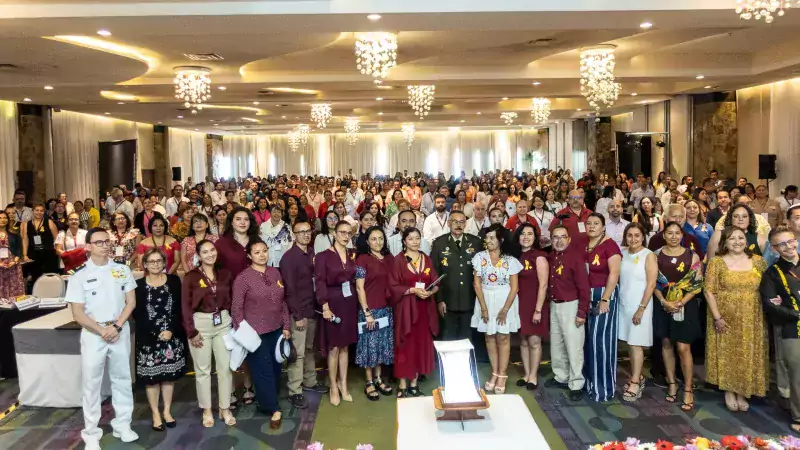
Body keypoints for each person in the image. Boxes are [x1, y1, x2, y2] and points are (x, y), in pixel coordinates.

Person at [65, 227, 138, 450]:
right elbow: (77, 313)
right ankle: (91, 432)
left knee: (122, 379)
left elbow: (131, 302)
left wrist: (115, 326)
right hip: (93, 334)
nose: (105, 245)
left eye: (107, 241)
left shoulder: (122, 270)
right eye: (99, 242)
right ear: (88, 246)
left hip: (118, 330)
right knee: (91, 383)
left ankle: (123, 424)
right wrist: (101, 330)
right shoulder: (79, 276)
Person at [704, 226, 768, 411]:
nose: (737, 242)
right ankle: (729, 390)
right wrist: (717, 317)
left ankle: (743, 391)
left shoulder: (758, 262)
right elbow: (709, 291)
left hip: (753, 317)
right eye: (732, 238)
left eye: (741, 238)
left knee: (747, 351)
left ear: (747, 241)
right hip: (724, 316)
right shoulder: (716, 262)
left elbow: (768, 286)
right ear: (724, 242)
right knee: (727, 352)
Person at [232, 239, 290, 429]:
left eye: (264, 251)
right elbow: (236, 310)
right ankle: (273, 408)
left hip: (276, 330)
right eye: (257, 252)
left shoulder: (275, 272)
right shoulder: (243, 278)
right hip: (255, 334)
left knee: (275, 369)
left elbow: (283, 302)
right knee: (262, 371)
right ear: (249, 256)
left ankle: (266, 401)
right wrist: (244, 334)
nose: (262, 255)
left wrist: (286, 325)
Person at [181, 240, 236, 427]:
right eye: (205, 252)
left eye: (212, 250)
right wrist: (191, 331)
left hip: (223, 322)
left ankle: (225, 408)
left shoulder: (225, 273)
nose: (210, 254)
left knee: (225, 368)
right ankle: (206, 410)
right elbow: (185, 307)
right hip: (200, 325)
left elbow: (231, 299)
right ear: (198, 255)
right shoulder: (191, 277)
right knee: (202, 370)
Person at [132, 248, 186, 431]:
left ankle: (167, 411)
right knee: (151, 379)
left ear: (164, 263)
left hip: (171, 337)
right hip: (148, 339)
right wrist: (155, 332)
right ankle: (155, 412)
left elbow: (179, 308)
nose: (155, 264)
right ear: (145, 264)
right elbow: (136, 314)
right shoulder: (137, 285)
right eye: (151, 261)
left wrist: (171, 330)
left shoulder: (174, 281)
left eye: (159, 261)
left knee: (168, 378)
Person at [653, 221, 703, 412]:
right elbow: (652, 282)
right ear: (663, 235)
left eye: (677, 233)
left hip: (686, 305)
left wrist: (681, 302)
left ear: (682, 235)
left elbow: (697, 283)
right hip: (662, 303)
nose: (673, 236)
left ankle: (688, 388)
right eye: (669, 233)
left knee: (683, 347)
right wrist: (664, 302)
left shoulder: (692, 255)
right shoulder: (655, 256)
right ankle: (672, 382)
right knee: (666, 343)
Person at [281, 220, 329, 409]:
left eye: (308, 231)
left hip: (312, 310)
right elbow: (289, 290)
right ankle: (295, 390)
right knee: (297, 353)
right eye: (301, 232)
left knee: (309, 349)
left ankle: (310, 381)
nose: (306, 235)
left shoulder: (311, 254)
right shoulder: (289, 258)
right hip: (299, 313)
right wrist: (297, 315)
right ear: (294, 234)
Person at [471, 223, 522, 395]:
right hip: (485, 299)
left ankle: (502, 375)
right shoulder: (479, 257)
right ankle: (494, 373)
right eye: (487, 237)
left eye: (492, 238)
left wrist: (505, 310)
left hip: (505, 300)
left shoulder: (510, 260)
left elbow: (514, 287)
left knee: (503, 338)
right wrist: (484, 308)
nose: (488, 241)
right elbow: (477, 284)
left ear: (501, 240)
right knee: (489, 337)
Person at [389, 227, 440, 398]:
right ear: (404, 241)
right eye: (410, 239)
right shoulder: (398, 260)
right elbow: (393, 287)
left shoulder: (426, 258)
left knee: (420, 344)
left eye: (417, 238)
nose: (415, 242)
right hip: (406, 309)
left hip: (424, 308)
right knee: (405, 345)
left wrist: (431, 292)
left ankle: (414, 383)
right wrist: (412, 290)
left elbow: (435, 281)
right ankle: (402, 384)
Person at [760, 225, 800, 432]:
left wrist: (783, 302)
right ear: (774, 249)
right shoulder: (772, 274)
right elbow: (770, 304)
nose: (788, 247)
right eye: (781, 244)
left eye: (790, 241)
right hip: (792, 329)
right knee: (797, 375)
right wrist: (794, 312)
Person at [315, 220, 359, 406]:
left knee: (345, 346)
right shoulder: (323, 256)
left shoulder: (351, 254)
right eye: (342, 232)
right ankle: (333, 386)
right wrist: (324, 306)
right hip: (332, 302)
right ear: (334, 233)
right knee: (334, 347)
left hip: (349, 302)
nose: (346, 236)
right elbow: (320, 282)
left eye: (349, 233)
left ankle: (343, 383)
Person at [545, 225, 590, 401]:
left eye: (563, 237)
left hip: (571, 305)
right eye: (555, 237)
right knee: (556, 344)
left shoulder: (576, 258)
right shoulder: (550, 257)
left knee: (574, 345)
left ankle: (576, 382)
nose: (559, 240)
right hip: (554, 305)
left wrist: (582, 312)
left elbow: (584, 288)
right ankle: (561, 376)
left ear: (569, 239)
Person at [583, 213, 622, 402]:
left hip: (603, 295)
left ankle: (604, 388)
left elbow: (614, 273)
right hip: (586, 295)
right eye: (589, 223)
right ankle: (590, 383)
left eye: (596, 223)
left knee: (601, 342)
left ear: (603, 227)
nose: (591, 226)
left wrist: (605, 299)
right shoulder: (584, 244)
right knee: (588, 341)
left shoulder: (610, 245)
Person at [354, 226, 395, 401]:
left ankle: (378, 378)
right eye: (373, 239)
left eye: (380, 238)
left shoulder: (389, 258)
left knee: (381, 346)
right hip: (369, 310)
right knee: (369, 347)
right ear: (367, 241)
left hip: (386, 309)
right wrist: (367, 312)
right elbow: (359, 287)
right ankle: (369, 381)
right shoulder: (362, 259)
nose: (378, 242)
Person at [618, 222, 657, 402]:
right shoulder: (623, 253)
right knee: (629, 343)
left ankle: (635, 381)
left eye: (637, 235)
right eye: (630, 235)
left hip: (640, 305)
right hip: (624, 303)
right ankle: (637, 375)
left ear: (643, 237)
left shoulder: (648, 255)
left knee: (636, 344)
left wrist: (641, 308)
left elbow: (651, 284)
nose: (633, 239)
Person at [430, 211, 482, 341]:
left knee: (467, 338)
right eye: (455, 222)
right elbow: (434, 274)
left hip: (469, 299)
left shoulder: (475, 242)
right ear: (448, 223)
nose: (458, 225)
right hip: (447, 301)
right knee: (448, 337)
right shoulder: (439, 243)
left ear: (465, 224)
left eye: (462, 222)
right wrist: (439, 300)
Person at [512, 223, 548, 389]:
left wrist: (538, 310)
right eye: (522, 234)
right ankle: (526, 374)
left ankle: (533, 376)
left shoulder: (539, 256)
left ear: (535, 238)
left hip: (535, 304)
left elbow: (543, 285)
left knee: (534, 341)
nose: (526, 237)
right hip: (519, 304)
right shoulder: (515, 257)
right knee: (524, 341)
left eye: (530, 234)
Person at [21, 204, 59, 284]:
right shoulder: (27, 224)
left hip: (49, 253)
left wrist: (57, 250)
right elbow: (25, 240)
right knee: (35, 277)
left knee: (50, 277)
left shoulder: (49, 222)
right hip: (33, 254)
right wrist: (25, 255)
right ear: (33, 211)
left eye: (41, 211)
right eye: (37, 210)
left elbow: (56, 238)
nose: (39, 212)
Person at [0, 211, 24, 299]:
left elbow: (19, 250)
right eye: (0, 218)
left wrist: (15, 261)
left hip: (12, 265)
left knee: (15, 291)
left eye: (5, 218)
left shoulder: (14, 235)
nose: (3, 220)